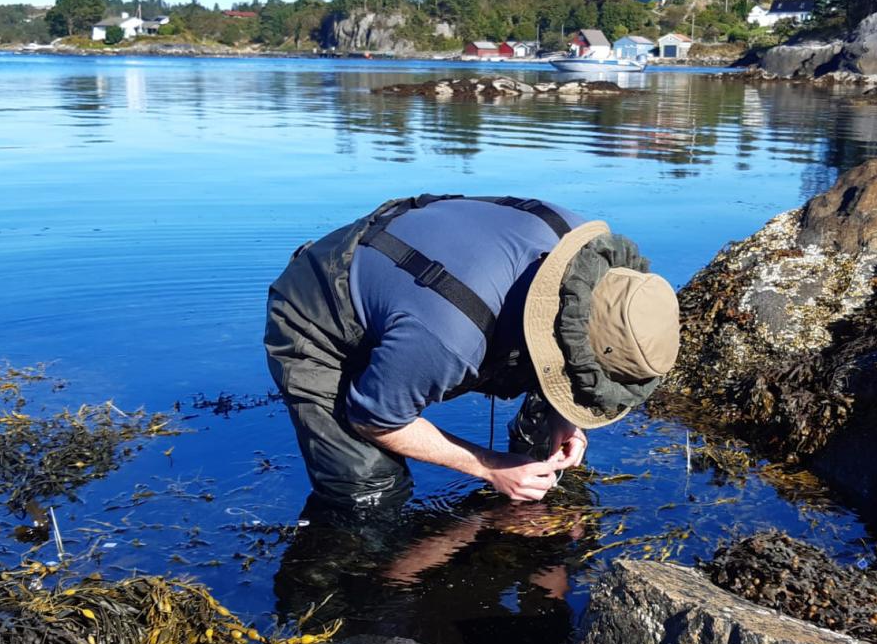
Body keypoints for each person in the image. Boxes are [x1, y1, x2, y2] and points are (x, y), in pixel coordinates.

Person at [264, 194, 680, 508]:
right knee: (369, 489)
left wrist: (566, 418)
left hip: (428, 288)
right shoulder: (449, 339)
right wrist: (488, 466)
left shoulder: (588, 261)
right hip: (320, 310)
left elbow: (567, 338)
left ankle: (530, 473)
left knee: (548, 408)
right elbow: (375, 419)